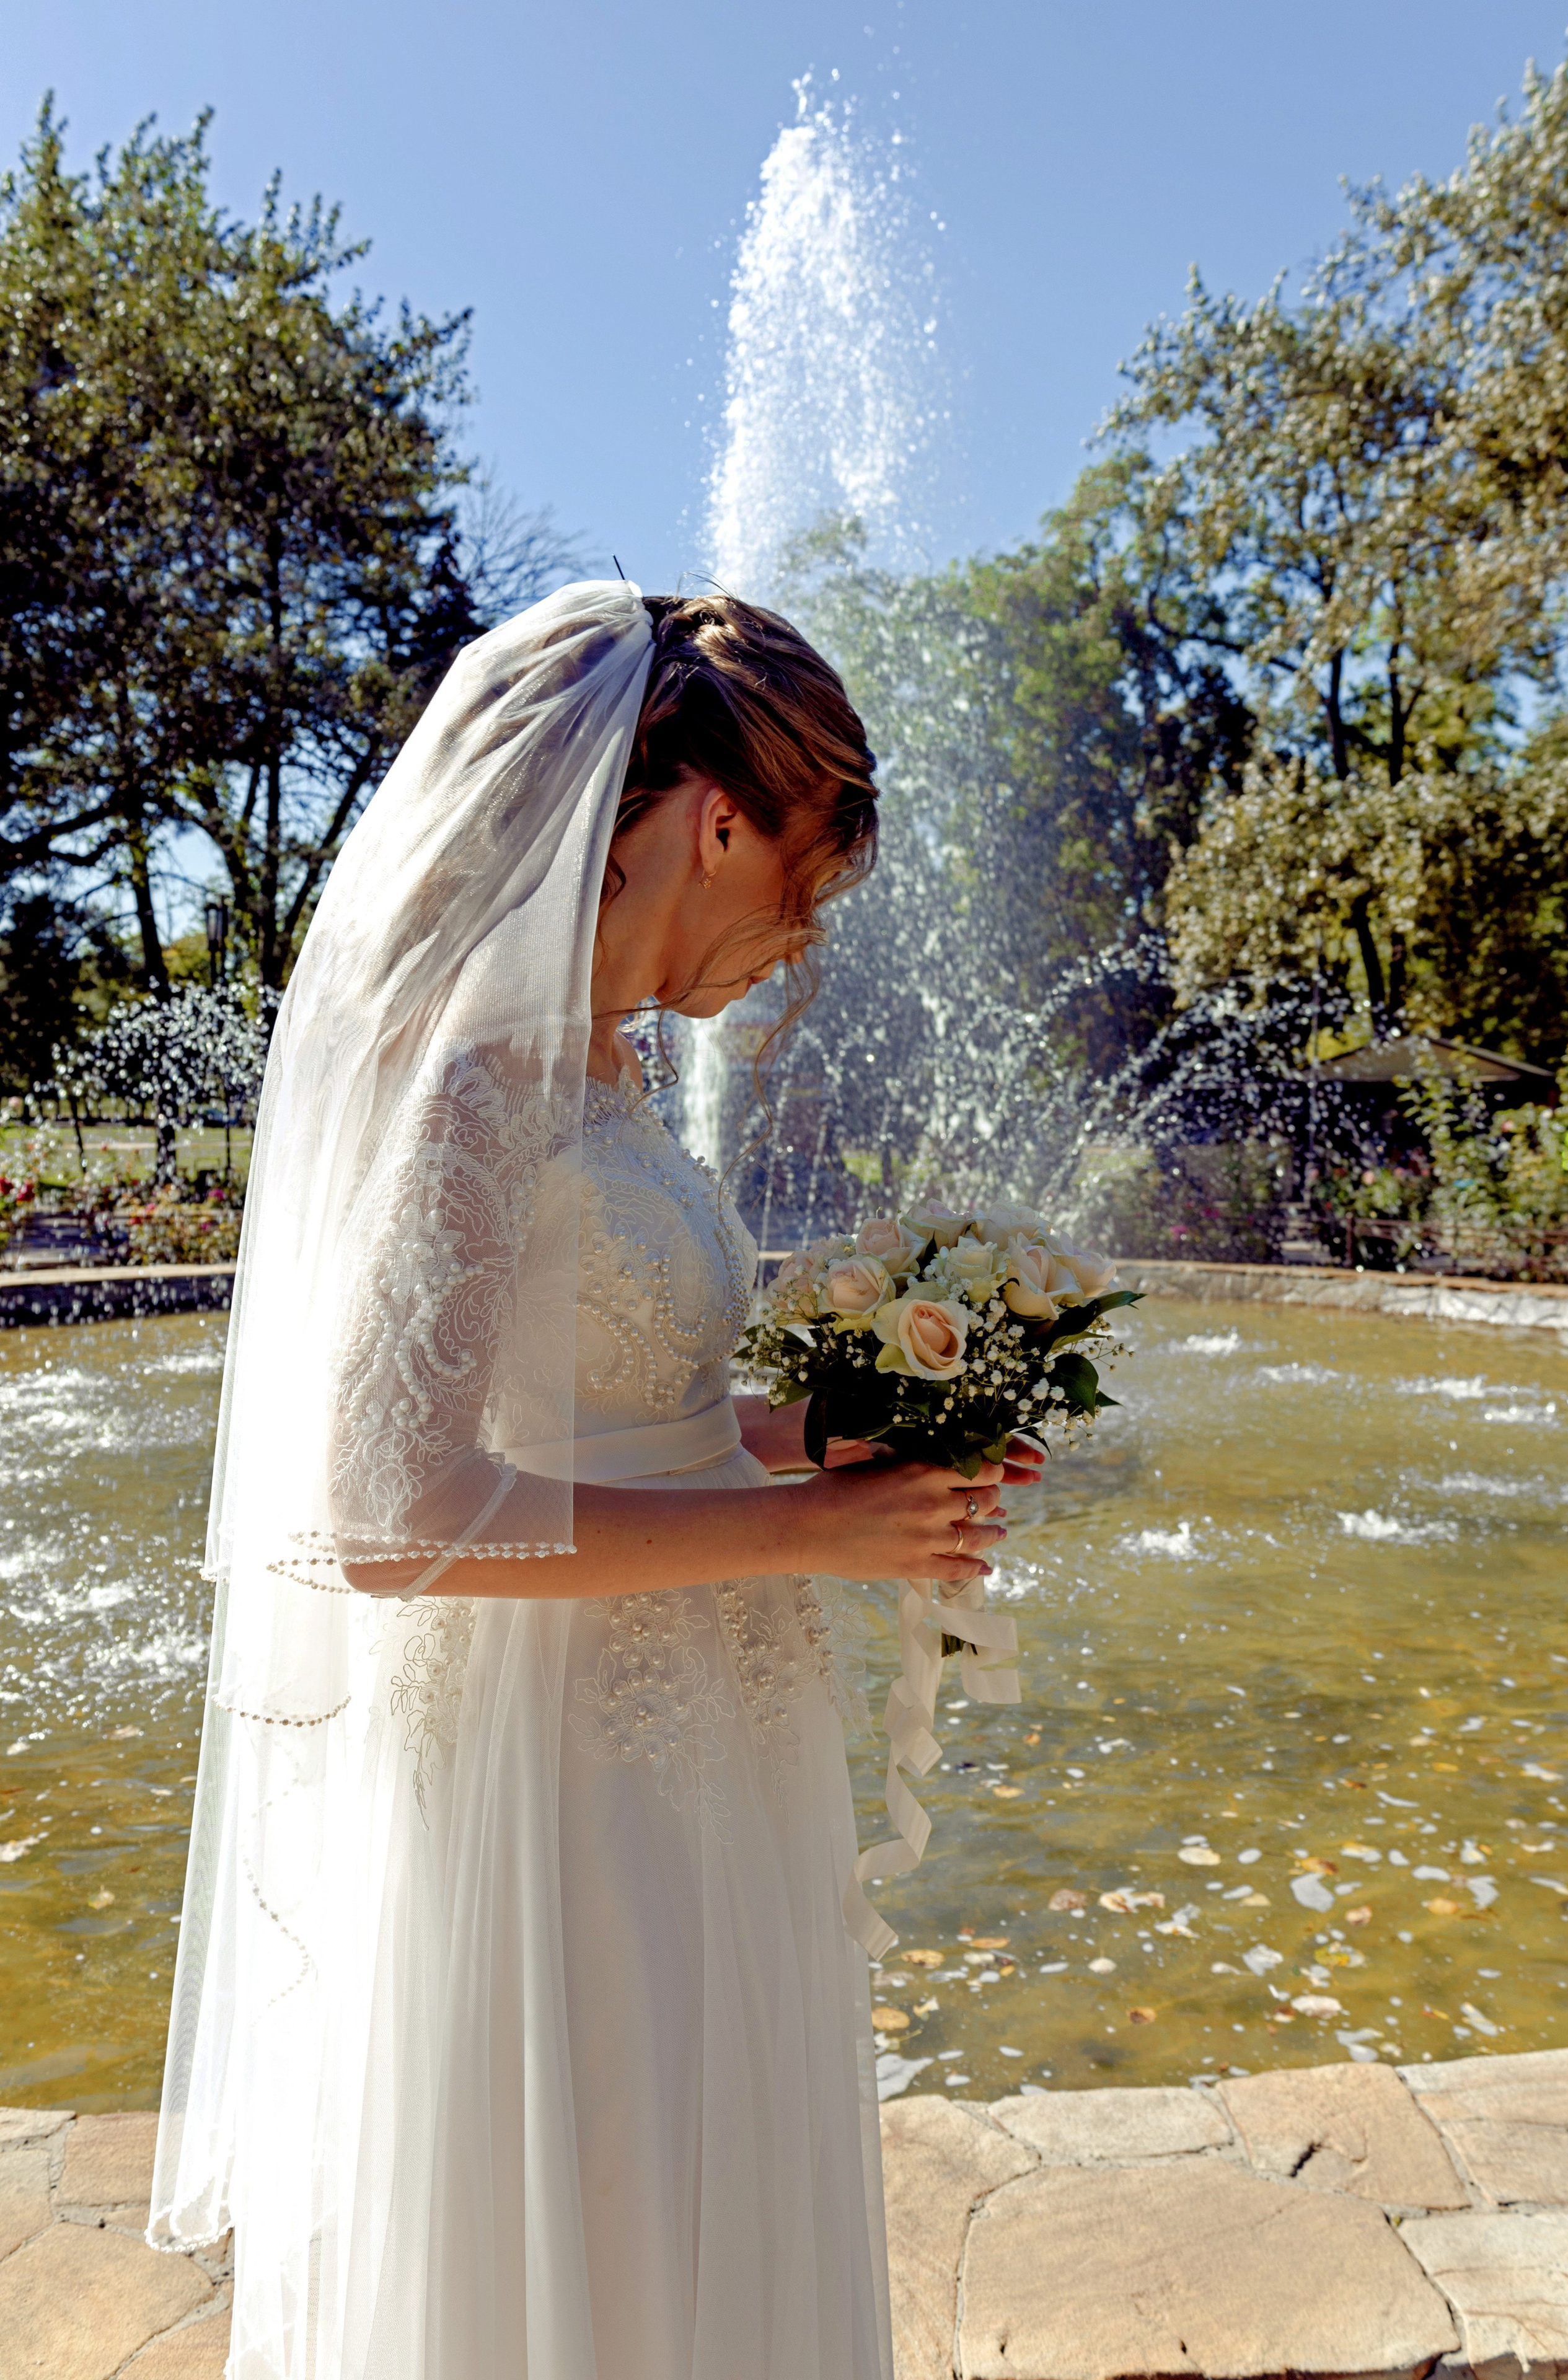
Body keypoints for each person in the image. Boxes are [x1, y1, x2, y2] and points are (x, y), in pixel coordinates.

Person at [149, 580, 1041, 2380]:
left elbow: (628, 1408)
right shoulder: (475, 1075)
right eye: (803, 875)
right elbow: (389, 1520)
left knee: (713, 2202)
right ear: (718, 823)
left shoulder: (612, 1071)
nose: (798, 937)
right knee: (607, 2202)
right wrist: (805, 1530)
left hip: (715, 1739)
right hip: (551, 1778)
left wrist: (838, 1450)